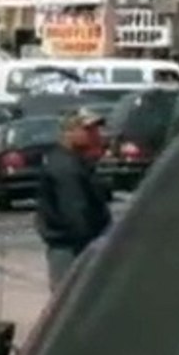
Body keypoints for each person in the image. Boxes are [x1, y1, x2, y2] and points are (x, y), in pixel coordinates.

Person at [35, 107, 112, 291]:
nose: (95, 135)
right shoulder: (65, 168)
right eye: (88, 130)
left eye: (95, 130)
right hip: (72, 250)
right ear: (69, 132)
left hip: (77, 247)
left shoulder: (76, 162)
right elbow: (76, 213)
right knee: (71, 300)